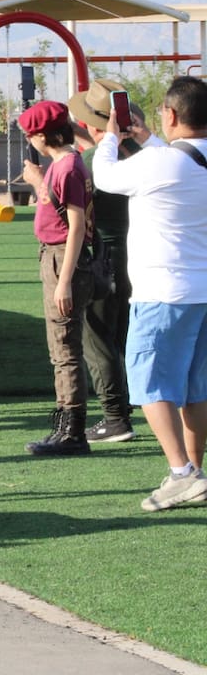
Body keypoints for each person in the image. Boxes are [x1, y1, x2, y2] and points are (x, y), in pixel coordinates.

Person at [92, 76, 207, 510]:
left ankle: (181, 472)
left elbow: (104, 176)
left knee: (150, 383)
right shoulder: (172, 159)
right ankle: (193, 470)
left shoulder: (158, 164)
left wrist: (110, 137)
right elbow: (181, 161)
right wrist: (150, 138)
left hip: (163, 290)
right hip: (201, 289)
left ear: (172, 114)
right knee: (197, 388)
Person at [69, 80, 159, 444]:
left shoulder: (89, 163)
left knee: (98, 338)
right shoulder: (150, 153)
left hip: (103, 254)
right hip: (144, 253)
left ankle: (114, 416)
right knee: (127, 333)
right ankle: (134, 403)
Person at [18, 101, 94, 456]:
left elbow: (75, 225)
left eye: (30, 134)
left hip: (62, 258)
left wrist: (64, 280)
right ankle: (66, 425)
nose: (29, 140)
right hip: (56, 256)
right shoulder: (64, 164)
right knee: (60, 346)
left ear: (41, 135)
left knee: (64, 346)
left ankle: (72, 430)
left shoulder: (66, 168)